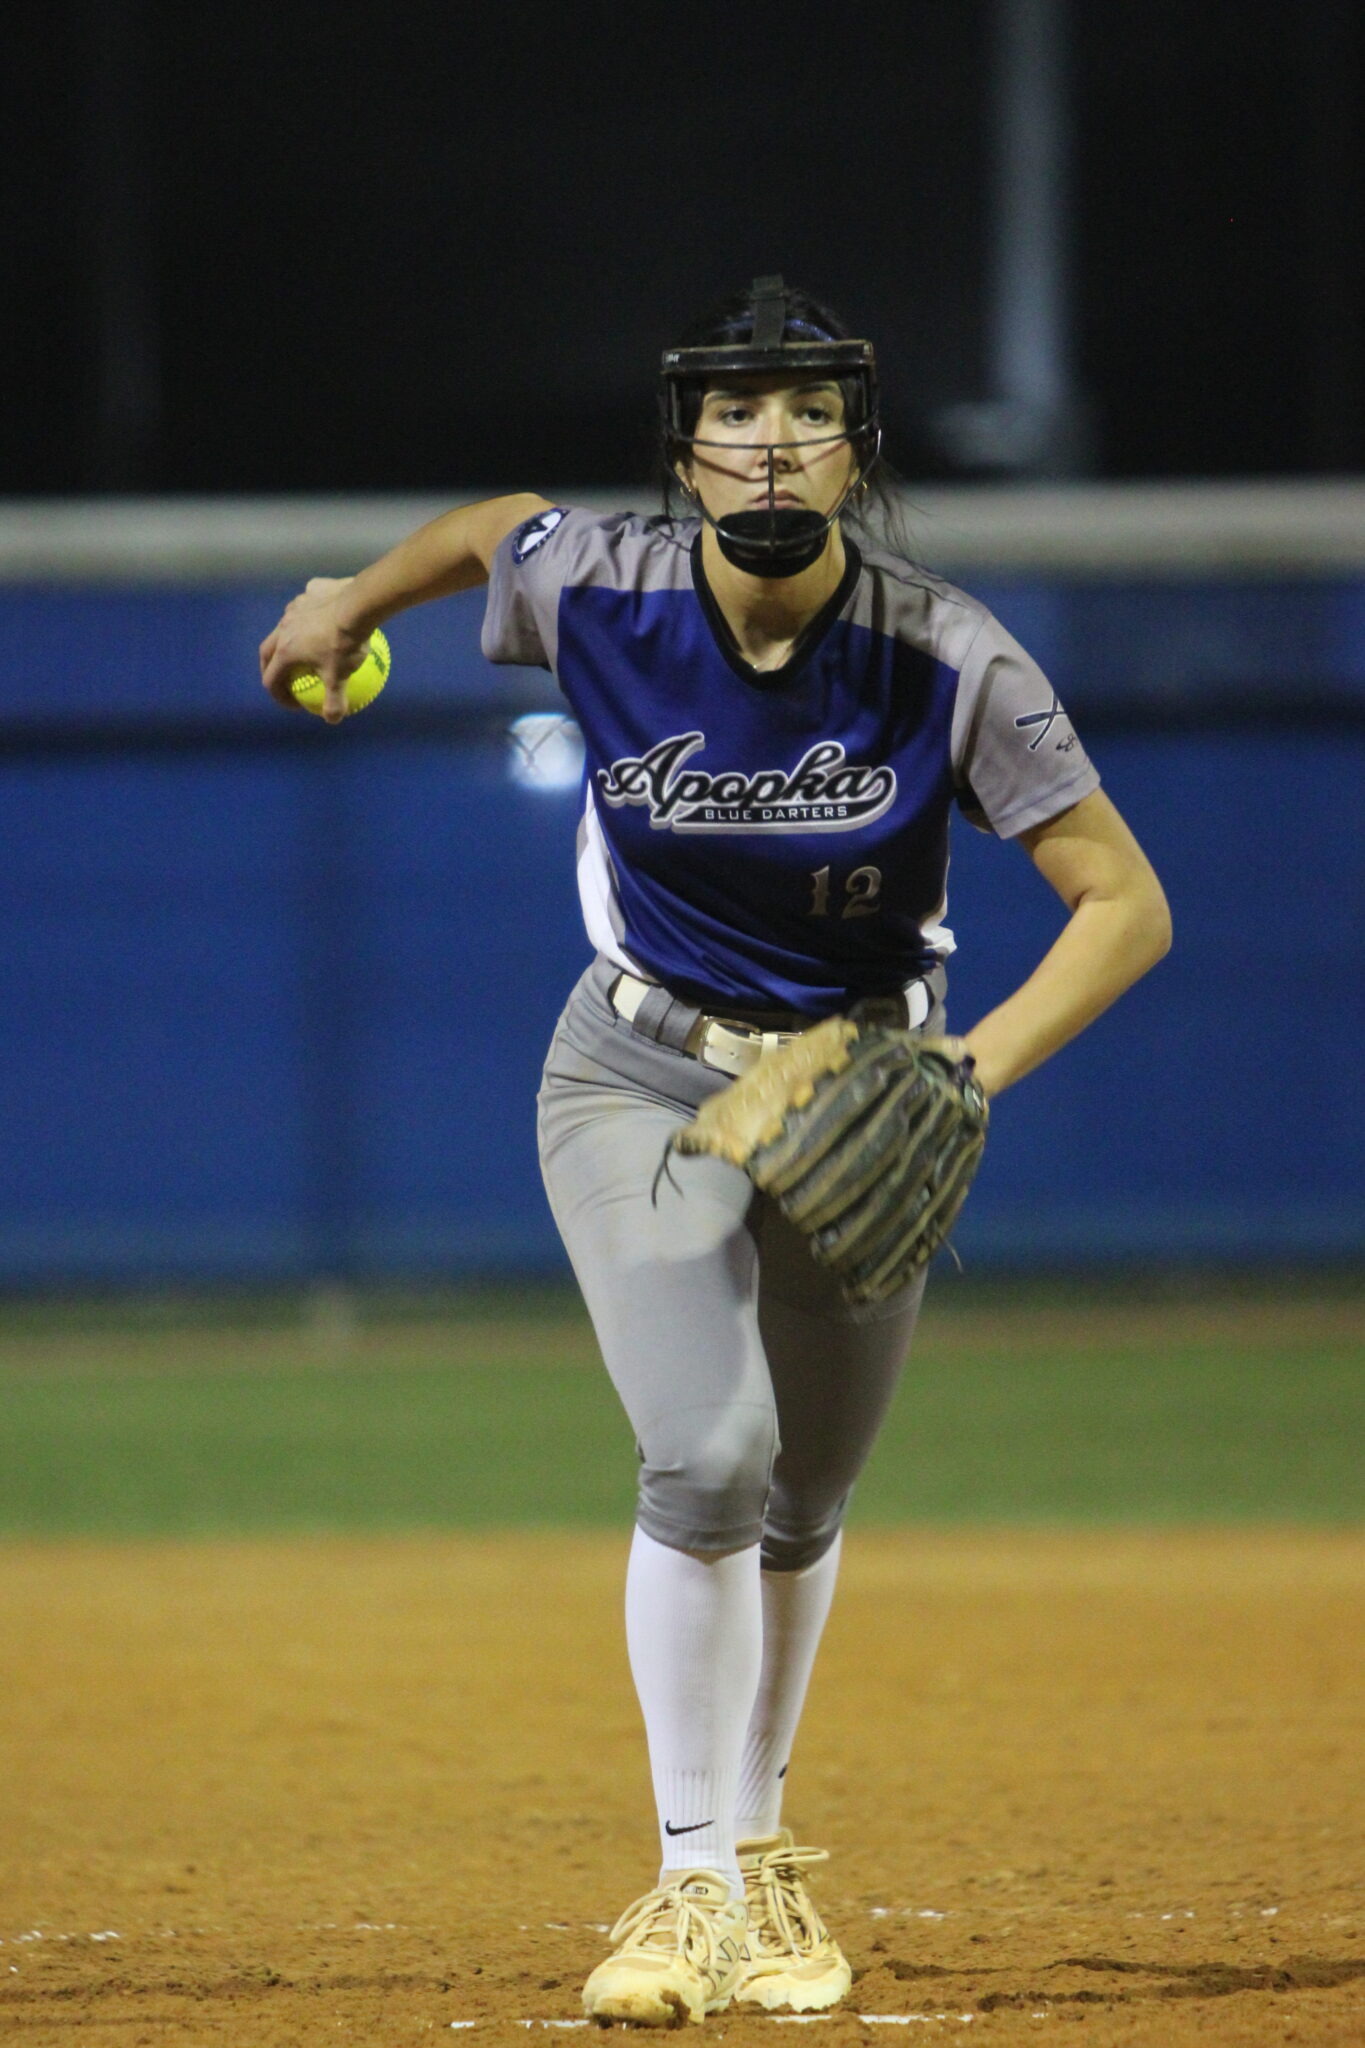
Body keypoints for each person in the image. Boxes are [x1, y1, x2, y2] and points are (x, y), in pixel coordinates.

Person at [261, 277, 1171, 2028]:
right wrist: (348, 600)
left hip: (858, 1084)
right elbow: (488, 529)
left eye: (807, 414)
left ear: (855, 455)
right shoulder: (596, 577)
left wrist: (962, 1075)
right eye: (735, 412)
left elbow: (1122, 904)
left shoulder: (946, 652)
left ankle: (751, 1855)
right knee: (711, 1452)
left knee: (806, 1497)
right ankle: (684, 1884)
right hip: (636, 1073)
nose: (770, 442)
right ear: (684, 450)